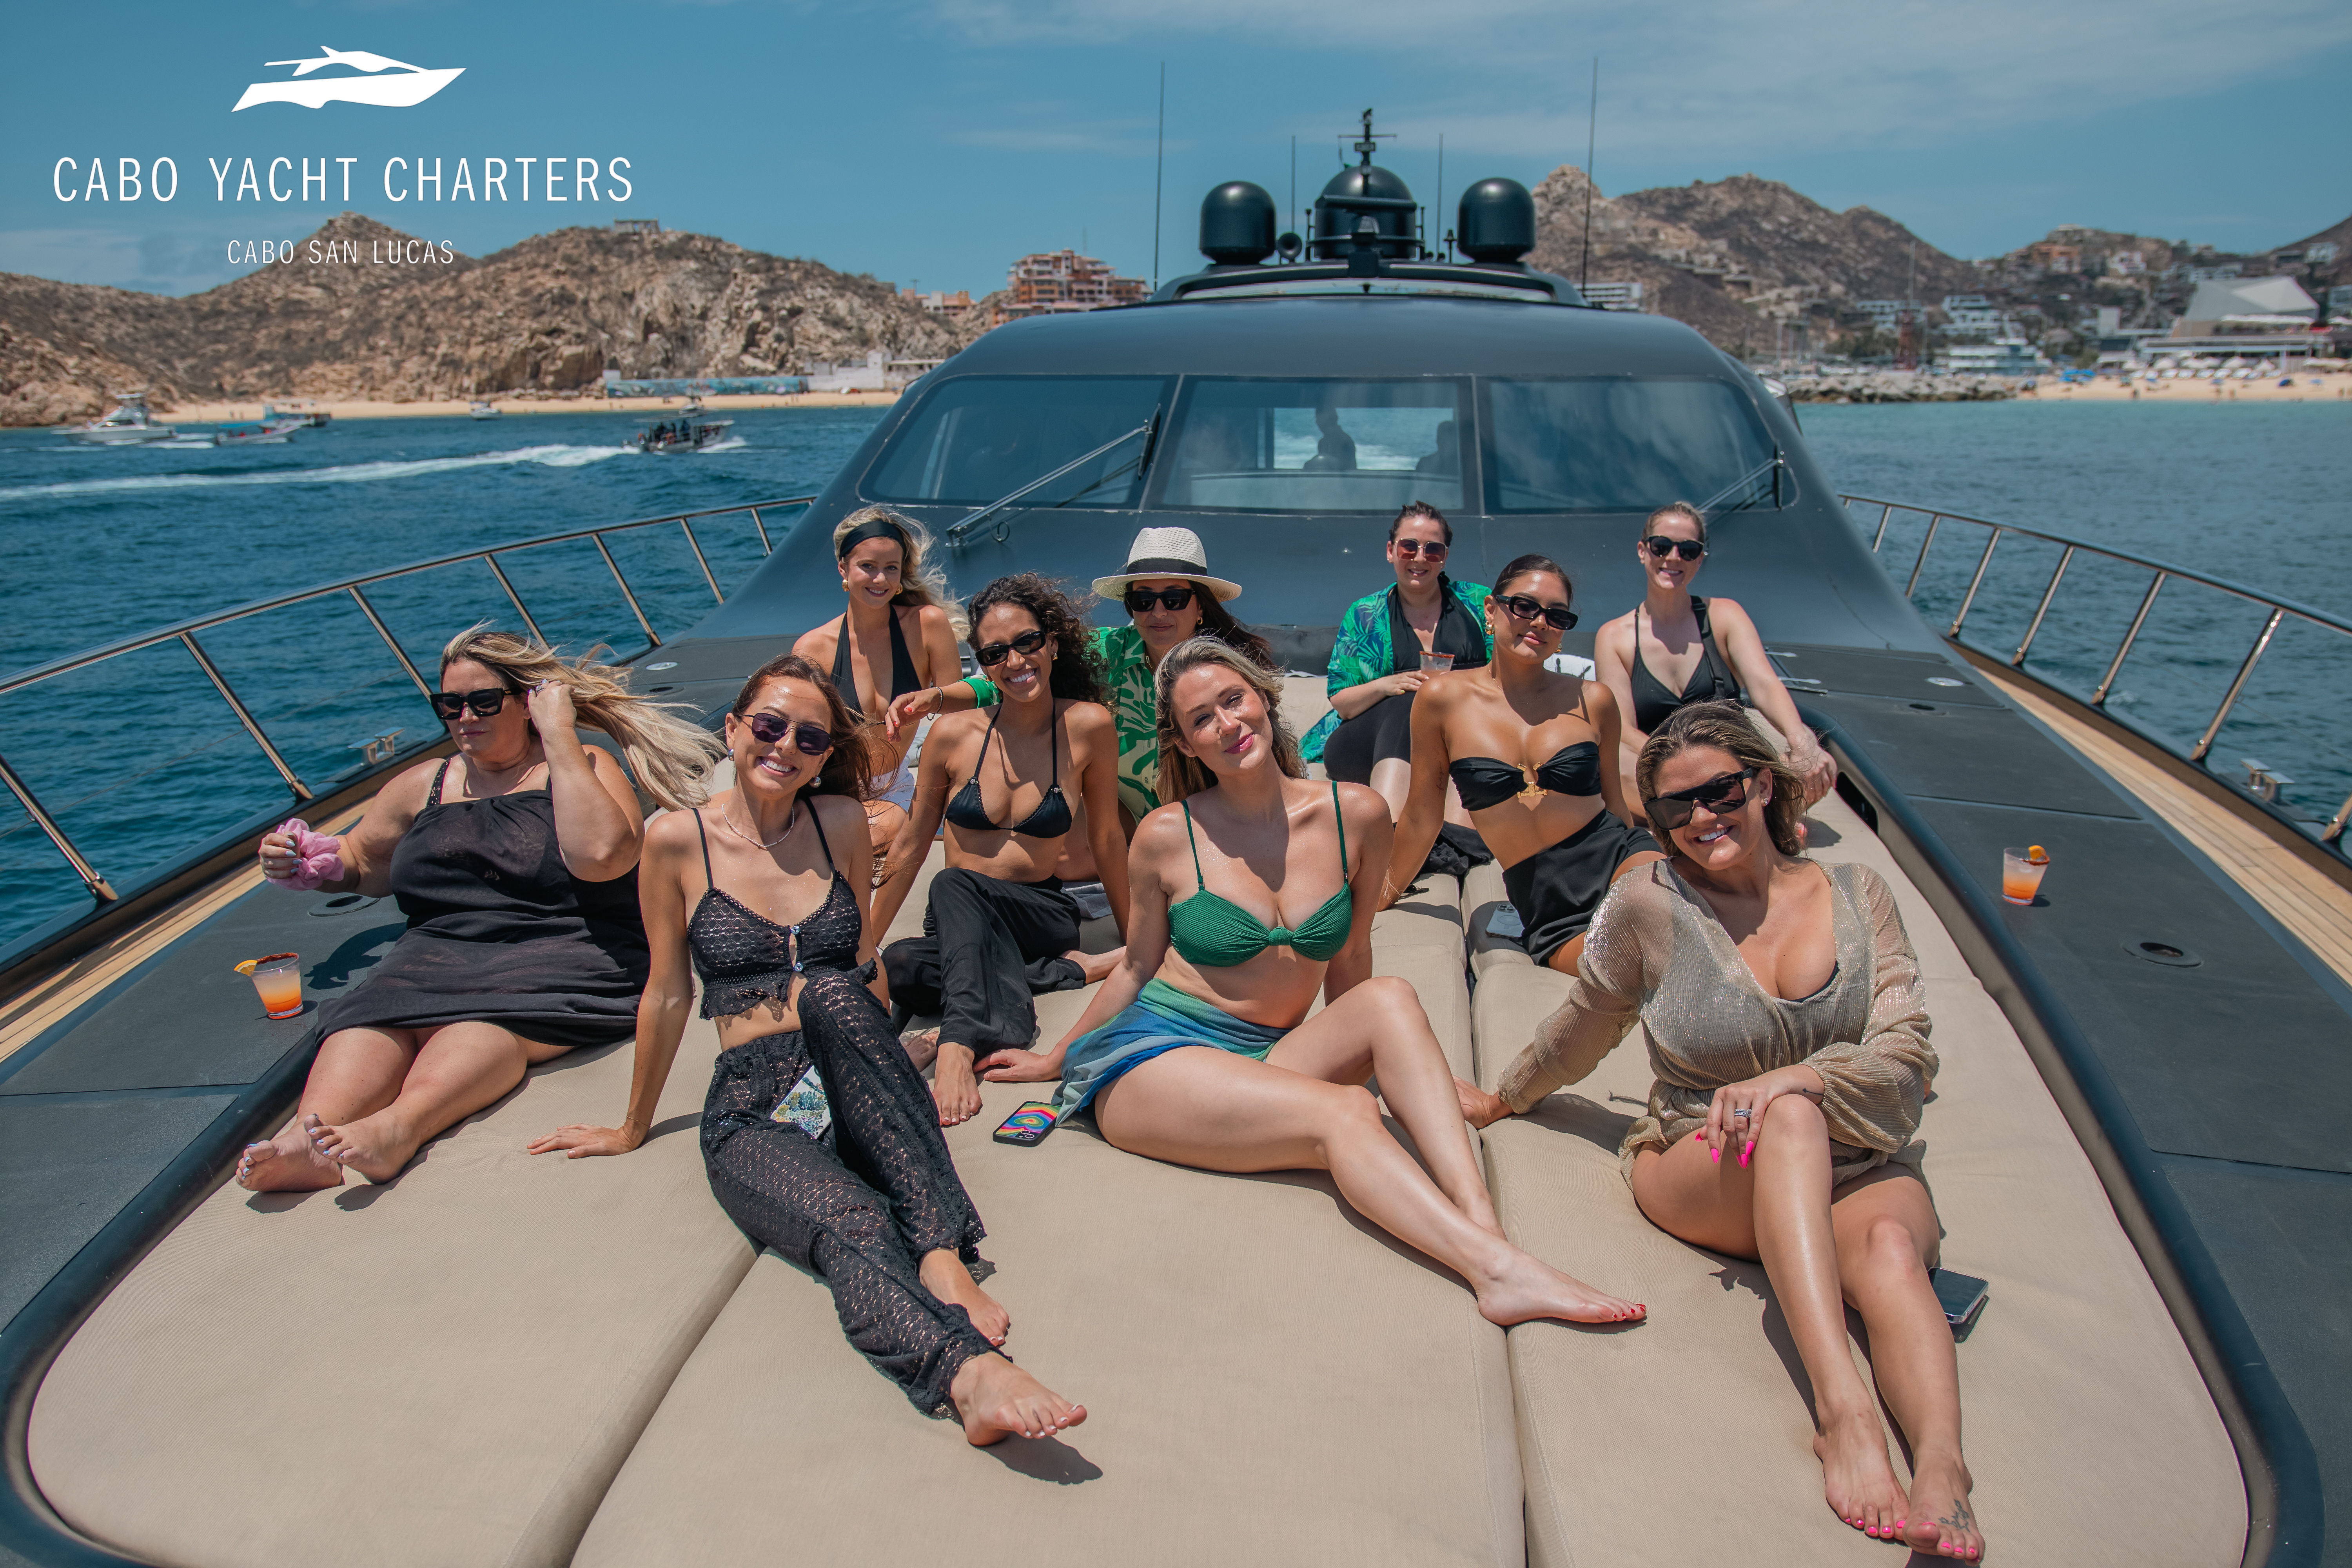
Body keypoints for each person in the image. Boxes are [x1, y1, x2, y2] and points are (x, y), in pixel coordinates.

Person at [987, 638, 1646, 1328]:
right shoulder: (1165, 834)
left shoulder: (1354, 814)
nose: (1227, 724)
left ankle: (1486, 1229)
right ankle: (1495, 1272)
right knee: (1347, 1114)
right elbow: (1134, 965)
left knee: (1391, 998)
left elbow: (1353, 960)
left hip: (1268, 1055)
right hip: (1156, 1061)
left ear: (1264, 699)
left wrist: (1388, 1060)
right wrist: (1055, 1060)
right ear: (1183, 744)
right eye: (1202, 719)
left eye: (1233, 700)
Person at [1466, 702, 1979, 1561]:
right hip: (1704, 1151)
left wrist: (1800, 1073)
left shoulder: (1860, 895)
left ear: (1762, 782)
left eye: (1721, 789)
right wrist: (1504, 1095)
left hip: (1862, 1151)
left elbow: (1906, 1051)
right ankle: (1842, 1411)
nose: (1704, 816)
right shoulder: (1648, 907)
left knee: (1890, 1246)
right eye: (1676, 807)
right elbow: (1587, 1021)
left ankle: (1943, 1466)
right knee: (1787, 1121)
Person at [529, 654, 1082, 1446]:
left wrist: (896, 1065)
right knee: (851, 1217)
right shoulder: (676, 840)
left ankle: (940, 1248)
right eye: (768, 725)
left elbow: (862, 964)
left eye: (811, 736)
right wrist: (630, 1125)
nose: (786, 744)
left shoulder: (844, 823)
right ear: (733, 729)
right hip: (756, 1102)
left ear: (828, 754)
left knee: (831, 987)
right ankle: (968, 1375)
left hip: (846, 1059)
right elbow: (667, 993)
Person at [235, 626, 723, 1192]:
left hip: (565, 953)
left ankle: (398, 1129)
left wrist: (560, 736)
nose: (465, 716)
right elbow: (362, 863)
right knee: (366, 1019)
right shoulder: (424, 785)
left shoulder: (581, 766)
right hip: (435, 956)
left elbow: (603, 857)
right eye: (450, 704)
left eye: (483, 701)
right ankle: (305, 1139)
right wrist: (302, 863)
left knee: (475, 1025)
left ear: (526, 702)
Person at [871, 575, 1129, 1127]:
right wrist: (865, 945)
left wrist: (1138, 943)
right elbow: (914, 843)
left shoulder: (1087, 726)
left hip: (1040, 912)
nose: (1015, 660)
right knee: (899, 967)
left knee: (953, 881)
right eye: (995, 653)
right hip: (958, 922)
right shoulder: (952, 735)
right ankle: (1066, 973)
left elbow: (1108, 838)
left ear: (1052, 644)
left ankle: (958, 1043)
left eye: (1027, 642)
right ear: (983, 665)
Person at [888, 526, 1278, 830]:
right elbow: (1007, 677)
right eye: (1143, 600)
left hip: (1219, 824)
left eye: (1173, 598)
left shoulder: (1229, 671)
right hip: (1128, 829)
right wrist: (934, 698)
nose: (1158, 611)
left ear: (1200, 608)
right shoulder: (1104, 652)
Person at [1384, 554, 1665, 972]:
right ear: (1492, 610)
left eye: (1556, 616)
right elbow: (1422, 815)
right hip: (1547, 904)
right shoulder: (1442, 700)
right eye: (1525, 606)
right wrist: (1381, 894)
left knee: (1669, 923)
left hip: (1620, 860)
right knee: (1622, 965)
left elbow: (1616, 806)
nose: (1539, 622)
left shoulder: (1595, 700)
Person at [1591, 501, 1837, 806]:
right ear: (1643, 551)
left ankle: (1685, 817)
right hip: (1659, 767)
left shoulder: (1725, 616)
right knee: (1613, 767)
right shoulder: (1614, 637)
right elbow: (1623, 729)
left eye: (1688, 550)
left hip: (1728, 764)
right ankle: (1748, 815)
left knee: (1814, 760)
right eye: (1661, 546)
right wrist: (1681, 763)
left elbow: (1764, 683)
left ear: (1700, 559)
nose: (1673, 557)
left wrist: (1800, 739)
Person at [792, 508, 966, 861]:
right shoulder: (813, 648)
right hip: (828, 786)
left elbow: (963, 709)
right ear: (843, 569)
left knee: (860, 841)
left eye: (891, 568)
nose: (881, 579)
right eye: (868, 566)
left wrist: (934, 698)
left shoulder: (927, 625)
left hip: (891, 786)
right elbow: (799, 733)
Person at [1302, 501, 1492, 821]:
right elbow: (1344, 704)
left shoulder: (1478, 602)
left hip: (1458, 739)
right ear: (1391, 551)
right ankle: (1387, 832)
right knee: (1411, 700)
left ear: (1444, 557)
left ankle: (1450, 842)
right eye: (1409, 547)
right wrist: (1389, 685)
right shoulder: (1365, 614)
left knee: (1439, 707)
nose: (1419, 558)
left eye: (1432, 549)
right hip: (1367, 747)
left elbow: (1509, 673)